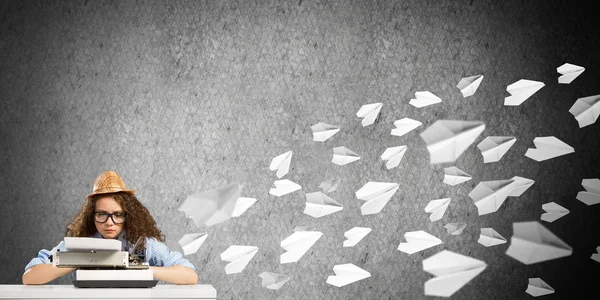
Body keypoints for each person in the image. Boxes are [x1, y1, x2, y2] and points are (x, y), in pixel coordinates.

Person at [22, 171, 198, 285]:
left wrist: (139, 269)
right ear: (92, 215)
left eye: (117, 214)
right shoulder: (78, 245)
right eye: (102, 214)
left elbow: (190, 275)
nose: (109, 222)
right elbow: (30, 277)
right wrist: (82, 259)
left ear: (128, 215)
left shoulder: (143, 245)